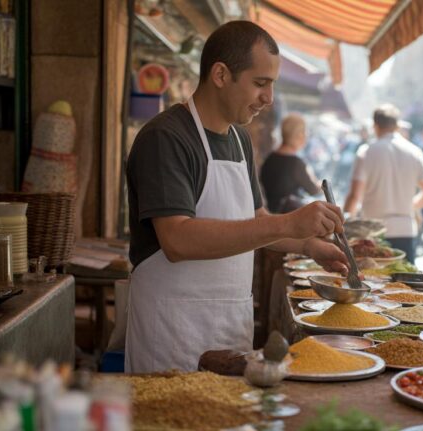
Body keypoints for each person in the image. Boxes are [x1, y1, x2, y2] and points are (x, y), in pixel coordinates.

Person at [124, 21, 347, 373]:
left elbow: (254, 220)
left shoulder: (240, 140)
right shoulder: (166, 138)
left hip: (228, 325)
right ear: (220, 74)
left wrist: (306, 245)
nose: (269, 99)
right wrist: (290, 222)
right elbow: (177, 239)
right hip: (172, 333)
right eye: (260, 83)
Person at [343, 104, 423, 263]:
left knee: (375, 284)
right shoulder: (414, 152)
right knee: (406, 284)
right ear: (397, 125)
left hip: (373, 233)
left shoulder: (366, 152)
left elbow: (354, 196)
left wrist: (344, 228)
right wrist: (409, 206)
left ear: (375, 126)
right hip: (405, 230)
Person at [259, 113, 321, 213]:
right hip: (288, 218)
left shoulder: (269, 158)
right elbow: (313, 190)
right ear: (299, 136)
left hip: (271, 213)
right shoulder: (296, 164)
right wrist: (320, 184)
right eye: (305, 133)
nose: (306, 137)